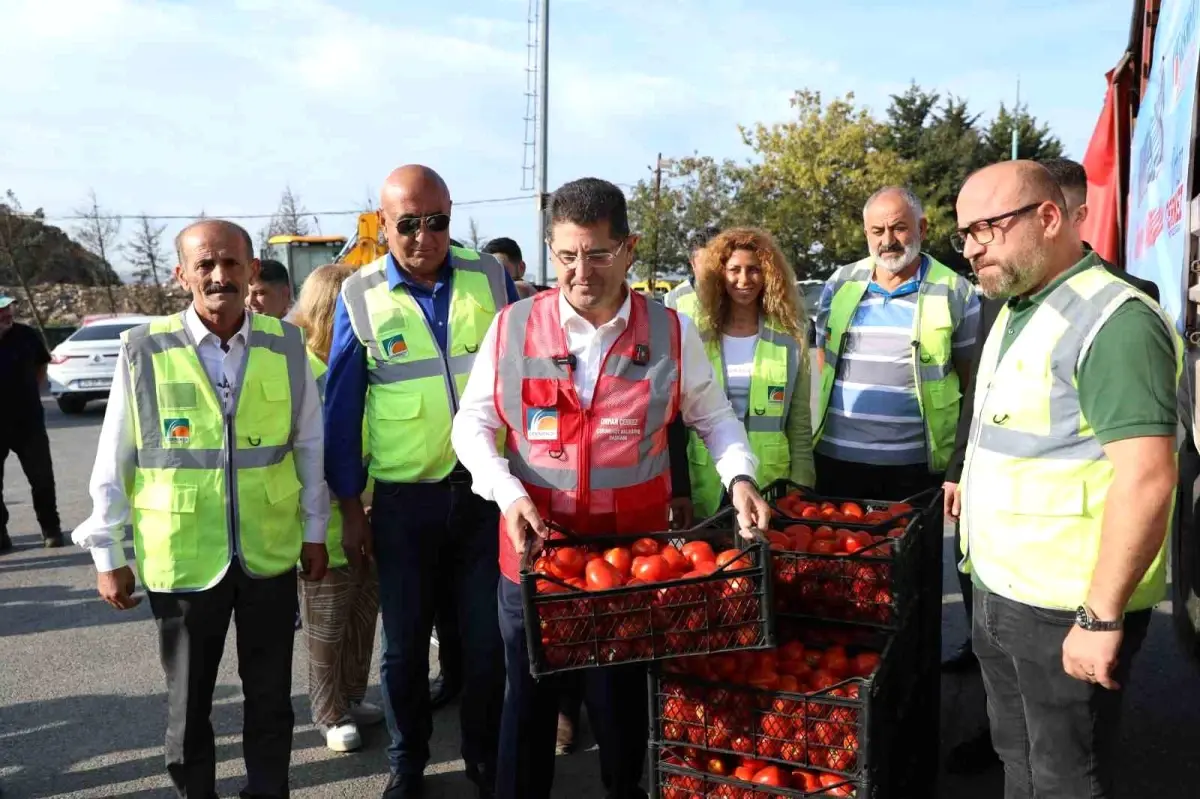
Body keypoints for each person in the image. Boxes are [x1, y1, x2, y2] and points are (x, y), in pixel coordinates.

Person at [450, 176, 771, 799]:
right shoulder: (513, 326)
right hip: (537, 559)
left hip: (634, 565)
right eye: (566, 256)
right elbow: (473, 423)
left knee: (623, 709)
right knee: (529, 705)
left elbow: (713, 416)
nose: (580, 272)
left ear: (630, 249)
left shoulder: (671, 332)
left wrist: (739, 475)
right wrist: (505, 491)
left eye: (597, 255)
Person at [72, 219, 330, 799]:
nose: (220, 276)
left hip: (267, 552)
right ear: (181, 273)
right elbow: (116, 455)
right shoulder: (144, 347)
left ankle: (267, 791)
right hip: (184, 557)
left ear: (252, 270)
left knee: (270, 699)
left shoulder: (285, 344)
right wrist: (106, 551)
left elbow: (310, 444)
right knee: (188, 705)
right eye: (205, 265)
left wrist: (315, 530)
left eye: (232, 264)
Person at [952, 160, 1178, 798]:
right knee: (1019, 757)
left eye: (987, 229)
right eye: (965, 234)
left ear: (1049, 218)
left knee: (1066, 779)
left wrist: (1101, 617)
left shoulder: (1115, 321)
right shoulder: (1019, 307)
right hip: (1001, 588)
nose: (972, 249)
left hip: (1065, 608)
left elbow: (1148, 478)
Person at [324, 165, 519, 798]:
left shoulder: (492, 279)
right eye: (406, 224)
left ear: (450, 216)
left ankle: (483, 758)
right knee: (404, 649)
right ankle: (407, 764)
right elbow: (342, 409)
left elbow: (527, 376)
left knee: (487, 646)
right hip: (406, 505)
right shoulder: (359, 296)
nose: (423, 236)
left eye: (436, 221)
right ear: (383, 226)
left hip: (487, 497)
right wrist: (351, 507)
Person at [813, 186, 979, 501]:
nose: (887, 241)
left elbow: (971, 381)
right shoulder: (840, 283)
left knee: (914, 551)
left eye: (899, 228)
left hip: (917, 468)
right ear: (866, 233)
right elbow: (825, 359)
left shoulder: (955, 291)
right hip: (836, 462)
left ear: (923, 228)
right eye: (877, 231)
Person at [291, 263, 384, 753]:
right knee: (326, 624)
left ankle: (352, 695)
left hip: (370, 513)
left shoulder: (364, 364)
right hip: (327, 521)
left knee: (363, 615)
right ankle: (327, 711)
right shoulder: (305, 369)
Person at [687, 227, 815, 517]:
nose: (744, 280)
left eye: (754, 270)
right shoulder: (696, 336)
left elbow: (799, 422)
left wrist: (802, 485)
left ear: (768, 274)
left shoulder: (790, 339)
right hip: (708, 484)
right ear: (719, 274)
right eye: (734, 270)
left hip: (770, 484)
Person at [1040, 157, 1160, 301]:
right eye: (1031, 211)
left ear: (1079, 216)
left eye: (1051, 214)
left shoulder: (1132, 295)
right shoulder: (1013, 287)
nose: (1042, 221)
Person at [0, 294, 64, 552]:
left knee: (42, 479)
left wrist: (29, 392)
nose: (7, 314)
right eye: (1, 310)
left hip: (29, 422)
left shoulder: (26, 335)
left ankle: (51, 529)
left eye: (8, 308)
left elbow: (41, 365)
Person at [662, 227, 718, 315]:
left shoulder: (736, 294)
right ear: (693, 264)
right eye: (707, 263)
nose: (714, 268)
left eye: (719, 261)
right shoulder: (671, 301)